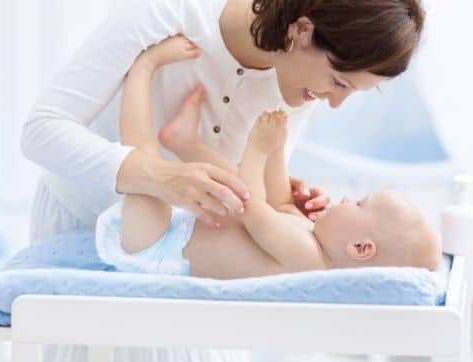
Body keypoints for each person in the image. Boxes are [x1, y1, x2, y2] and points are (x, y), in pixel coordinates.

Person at [21, 0, 425, 362]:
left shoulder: (304, 78)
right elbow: (41, 132)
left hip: (197, 264)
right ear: (302, 29)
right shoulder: (170, 4)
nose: (333, 102)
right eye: (340, 82)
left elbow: (250, 193)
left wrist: (289, 204)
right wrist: (153, 176)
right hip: (85, 220)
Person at [97, 34, 440, 278]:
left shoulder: (309, 259)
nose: (349, 198)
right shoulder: (313, 242)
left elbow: (252, 208)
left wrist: (259, 148)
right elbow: (279, 203)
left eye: (361, 204)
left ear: (360, 248)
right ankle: (185, 143)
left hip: (155, 249)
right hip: (176, 233)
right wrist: (276, 150)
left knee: (143, 159)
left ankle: (143, 67)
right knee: (233, 182)